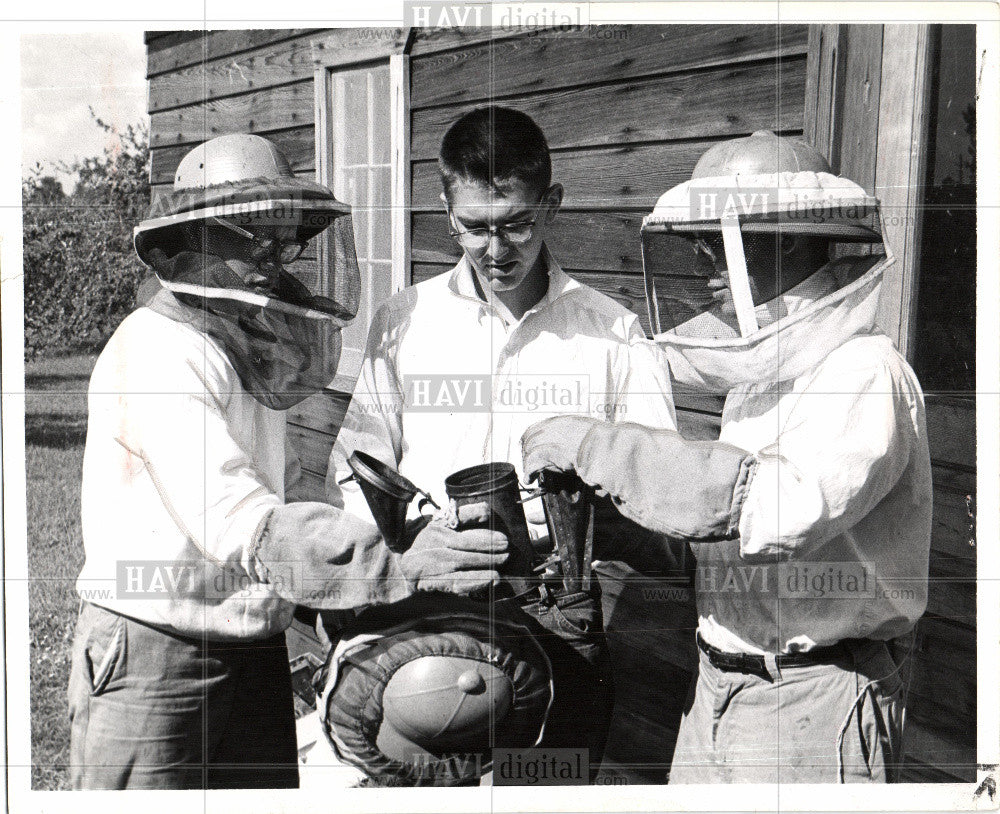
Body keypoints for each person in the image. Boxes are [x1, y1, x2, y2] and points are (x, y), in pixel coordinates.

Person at [69, 133, 509, 790]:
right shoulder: (159, 351)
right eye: (250, 234)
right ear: (195, 235)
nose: (272, 258)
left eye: (284, 237)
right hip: (154, 648)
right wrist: (397, 559)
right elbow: (239, 522)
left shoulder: (242, 339)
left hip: (250, 638)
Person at [521, 131, 932, 784]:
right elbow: (719, 537)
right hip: (720, 681)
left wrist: (606, 450)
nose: (708, 262)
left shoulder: (865, 372)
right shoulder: (760, 375)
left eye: (721, 239)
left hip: (814, 692)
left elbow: (777, 509)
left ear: (789, 236)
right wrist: (600, 516)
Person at [324, 106, 676, 780]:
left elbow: (659, 493)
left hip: (555, 604)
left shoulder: (613, 334)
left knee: (548, 786)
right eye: (474, 228)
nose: (495, 249)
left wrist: (576, 516)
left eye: (516, 223)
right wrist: (404, 553)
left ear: (552, 204)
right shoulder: (407, 320)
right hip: (427, 605)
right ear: (445, 208)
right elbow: (355, 469)